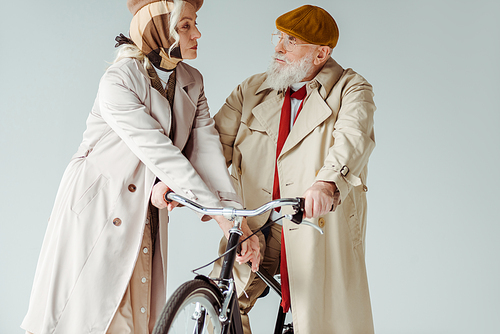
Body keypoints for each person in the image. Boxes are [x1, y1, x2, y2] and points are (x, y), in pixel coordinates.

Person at [21, 0, 260, 333]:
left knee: (139, 312)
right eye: (185, 26)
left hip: (147, 209)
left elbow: (205, 150)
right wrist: (221, 217)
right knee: (94, 313)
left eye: (195, 23)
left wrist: (236, 220)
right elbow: (159, 151)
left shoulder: (192, 79)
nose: (197, 33)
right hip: (101, 206)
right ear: (157, 29)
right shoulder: (118, 80)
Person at [211, 4, 376, 334]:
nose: (278, 48)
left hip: (314, 225)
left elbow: (352, 139)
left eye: (290, 41)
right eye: (279, 37)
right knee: (222, 300)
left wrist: (327, 184)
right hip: (256, 223)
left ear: (320, 53)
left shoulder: (351, 90)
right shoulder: (252, 91)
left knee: (321, 321)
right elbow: (212, 147)